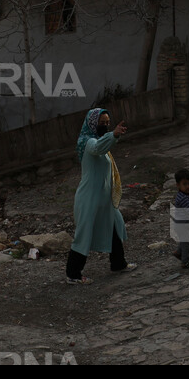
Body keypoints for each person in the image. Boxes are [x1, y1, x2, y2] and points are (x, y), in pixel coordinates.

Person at [66, 108, 137, 284]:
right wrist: (113, 135)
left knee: (114, 227)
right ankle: (73, 274)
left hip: (104, 200)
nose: (104, 125)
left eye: (107, 123)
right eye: (101, 123)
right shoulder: (87, 142)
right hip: (89, 199)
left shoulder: (101, 142)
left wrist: (113, 136)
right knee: (84, 234)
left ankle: (118, 264)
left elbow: (104, 146)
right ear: (92, 123)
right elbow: (97, 148)